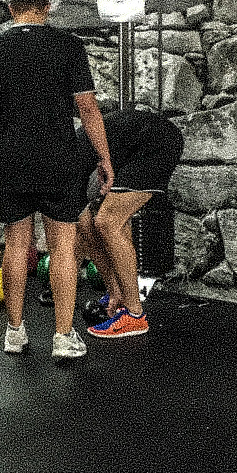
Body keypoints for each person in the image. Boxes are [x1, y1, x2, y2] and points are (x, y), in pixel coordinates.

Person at [0, 0, 113, 360]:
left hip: (14, 158)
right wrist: (104, 157)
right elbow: (87, 109)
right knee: (63, 248)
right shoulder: (69, 46)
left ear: (12, 9)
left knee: (16, 244)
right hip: (58, 159)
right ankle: (63, 336)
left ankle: (14, 332)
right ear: (46, 7)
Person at [74, 107, 184, 338]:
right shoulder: (69, 157)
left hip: (155, 143)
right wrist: (113, 289)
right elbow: (86, 234)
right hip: (143, 143)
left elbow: (83, 235)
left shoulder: (64, 171)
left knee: (106, 222)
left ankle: (134, 315)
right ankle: (124, 296)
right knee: (114, 223)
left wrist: (111, 289)